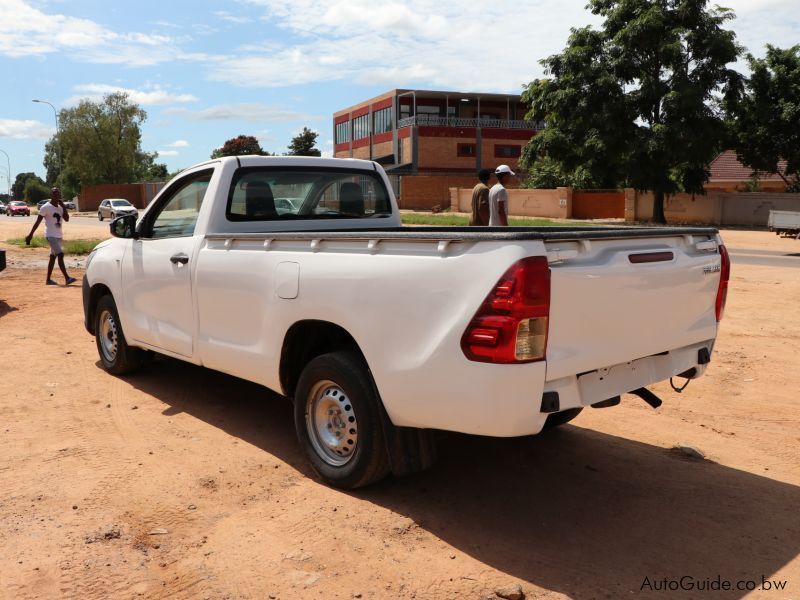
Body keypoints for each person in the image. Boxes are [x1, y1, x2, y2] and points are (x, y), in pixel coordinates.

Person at [25, 188, 77, 286]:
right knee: (60, 254)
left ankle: (48, 280)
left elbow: (67, 219)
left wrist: (64, 207)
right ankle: (67, 278)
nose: (57, 196)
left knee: (53, 257)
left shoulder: (60, 207)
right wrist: (31, 234)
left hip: (59, 235)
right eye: (54, 194)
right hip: (50, 235)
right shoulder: (45, 207)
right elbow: (38, 221)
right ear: (51, 195)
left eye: (58, 194)